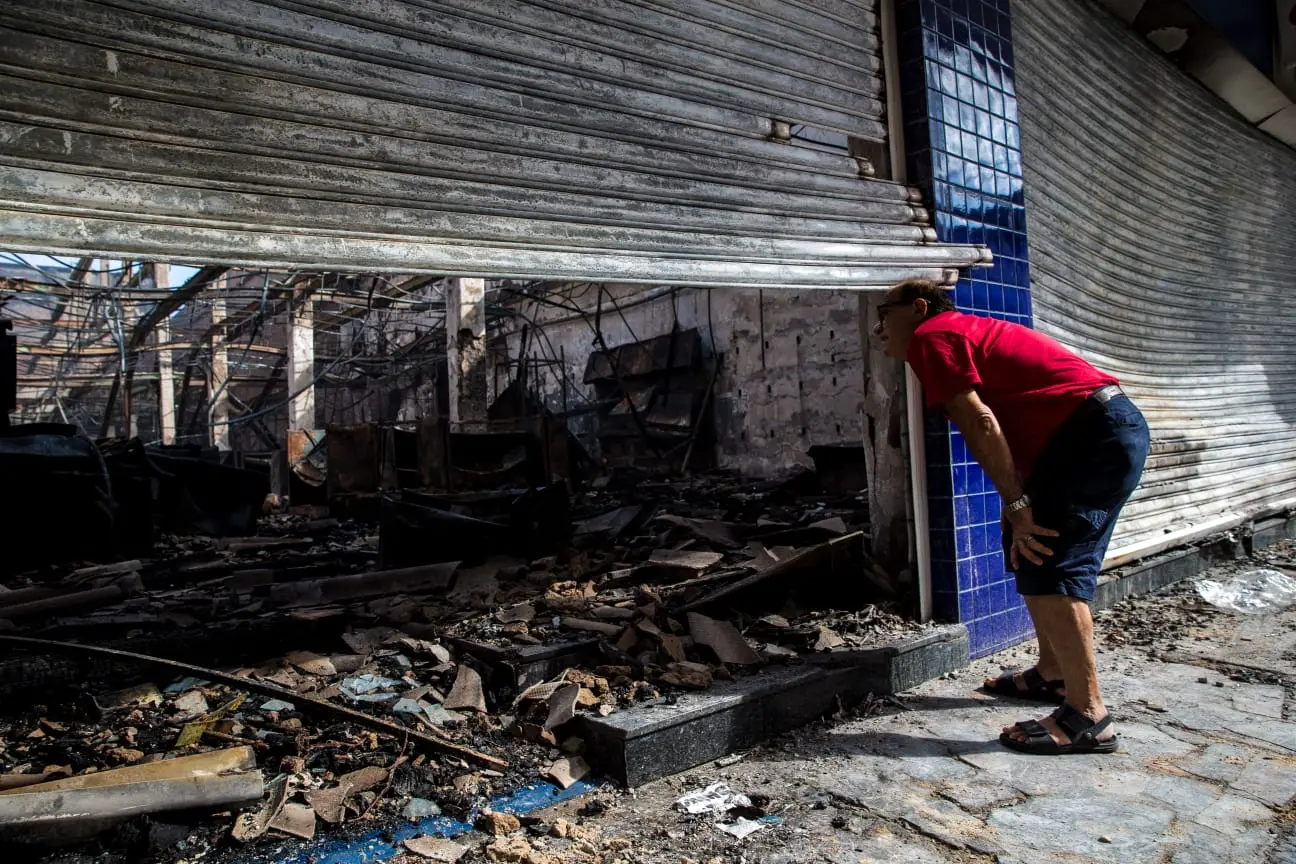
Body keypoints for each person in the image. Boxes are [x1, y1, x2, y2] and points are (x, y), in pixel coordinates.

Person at [875, 278, 1150, 755]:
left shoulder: (932, 335)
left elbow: (980, 421)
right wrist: (1017, 504)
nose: (878, 327)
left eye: (884, 312)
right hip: (1088, 437)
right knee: (1027, 549)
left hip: (1091, 439)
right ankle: (1053, 674)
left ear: (918, 307)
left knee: (1051, 560)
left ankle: (1088, 716)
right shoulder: (960, 332)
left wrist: (1019, 504)